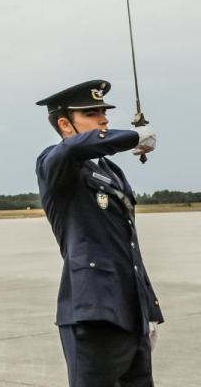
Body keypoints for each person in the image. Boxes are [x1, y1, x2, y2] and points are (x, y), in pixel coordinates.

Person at [35, 79, 162, 386]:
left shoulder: (110, 170)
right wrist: (133, 137)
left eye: (103, 111)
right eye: (91, 113)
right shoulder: (56, 162)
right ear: (65, 124)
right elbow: (72, 149)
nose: (104, 118)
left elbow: (128, 246)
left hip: (131, 314)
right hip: (93, 314)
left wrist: (149, 309)